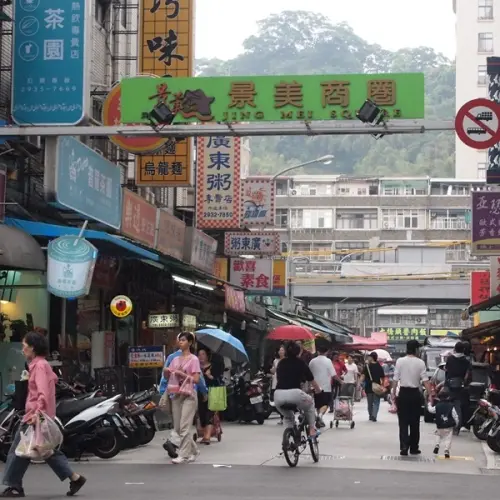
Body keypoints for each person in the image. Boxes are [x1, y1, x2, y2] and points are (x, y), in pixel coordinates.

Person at [1, 331, 86, 498]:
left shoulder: (39, 366)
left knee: (18, 450)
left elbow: (43, 393)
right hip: (39, 415)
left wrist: (37, 414)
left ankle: (14, 486)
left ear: (33, 348)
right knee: (45, 449)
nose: (23, 349)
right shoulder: (40, 365)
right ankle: (75, 478)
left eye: (25, 346)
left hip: (36, 416)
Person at [165, 332, 201, 464]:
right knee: (179, 428)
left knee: (185, 426)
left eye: (184, 340)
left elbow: (196, 379)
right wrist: (166, 372)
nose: (181, 342)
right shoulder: (175, 359)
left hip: (189, 395)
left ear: (190, 343)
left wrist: (182, 374)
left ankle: (183, 454)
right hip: (177, 394)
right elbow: (167, 377)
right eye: (179, 340)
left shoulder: (194, 359)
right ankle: (194, 451)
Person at [274, 342, 321, 438]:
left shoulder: (281, 363)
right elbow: (311, 379)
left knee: (288, 416)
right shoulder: (301, 363)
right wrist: (318, 390)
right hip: (295, 393)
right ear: (299, 352)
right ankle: (312, 429)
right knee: (310, 405)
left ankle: (290, 434)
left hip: (278, 395)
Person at [393, 340, 431, 456]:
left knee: (403, 422)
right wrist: (430, 394)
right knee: (415, 422)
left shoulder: (400, 361)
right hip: (415, 394)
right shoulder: (420, 363)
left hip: (403, 394)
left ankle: (404, 446)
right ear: (416, 350)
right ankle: (414, 447)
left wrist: (393, 393)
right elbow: (425, 380)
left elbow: (395, 379)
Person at [445, 341, 471, 434]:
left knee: (449, 404)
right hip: (460, 386)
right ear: (463, 350)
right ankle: (458, 426)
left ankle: (447, 424)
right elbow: (467, 375)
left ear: (455, 349)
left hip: (450, 385)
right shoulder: (466, 361)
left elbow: (446, 371)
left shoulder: (450, 359)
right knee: (459, 405)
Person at [309, 345, 337, 427]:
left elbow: (309, 373)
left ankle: (319, 421)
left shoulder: (312, 361)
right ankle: (320, 416)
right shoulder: (328, 361)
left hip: (315, 386)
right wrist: (341, 381)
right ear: (327, 352)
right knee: (326, 404)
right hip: (326, 387)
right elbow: (333, 374)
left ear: (318, 352)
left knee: (318, 404)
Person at [427, 387, 458, 459]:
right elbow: (455, 415)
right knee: (448, 438)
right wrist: (456, 423)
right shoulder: (451, 406)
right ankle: (446, 450)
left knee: (438, 434)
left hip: (440, 425)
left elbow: (431, 410)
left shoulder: (437, 406)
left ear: (439, 397)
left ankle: (437, 444)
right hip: (449, 425)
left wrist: (429, 404)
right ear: (448, 397)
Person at [197, 348, 221, 445]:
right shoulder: (196, 367)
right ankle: (204, 433)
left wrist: (210, 376)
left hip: (212, 393)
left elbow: (218, 381)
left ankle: (207, 437)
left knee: (210, 414)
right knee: (201, 414)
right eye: (199, 354)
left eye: (203, 354)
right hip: (199, 394)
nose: (201, 356)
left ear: (207, 356)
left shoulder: (213, 367)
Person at [360, 352, 385, 422]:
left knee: (370, 403)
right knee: (376, 402)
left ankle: (371, 416)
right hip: (377, 387)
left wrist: (360, 383)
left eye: (369, 357)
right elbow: (382, 377)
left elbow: (363, 376)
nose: (368, 358)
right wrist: (382, 385)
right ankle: (374, 416)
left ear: (372, 357)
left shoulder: (367, 366)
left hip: (369, 387)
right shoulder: (379, 366)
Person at [270, 345, 285, 425]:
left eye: (282, 350)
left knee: (285, 401)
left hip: (284, 382)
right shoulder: (275, 361)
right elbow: (273, 371)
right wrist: (272, 370)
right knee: (278, 401)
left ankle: (286, 417)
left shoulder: (287, 360)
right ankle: (282, 417)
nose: (281, 352)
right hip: (276, 382)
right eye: (280, 350)